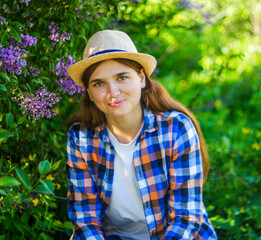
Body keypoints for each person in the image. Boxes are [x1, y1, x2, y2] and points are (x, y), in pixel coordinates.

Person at [66, 30, 218, 240]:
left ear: (141, 79)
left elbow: (185, 219)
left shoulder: (176, 129)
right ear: (90, 93)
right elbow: (85, 221)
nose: (113, 92)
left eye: (122, 77)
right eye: (99, 83)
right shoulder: (80, 139)